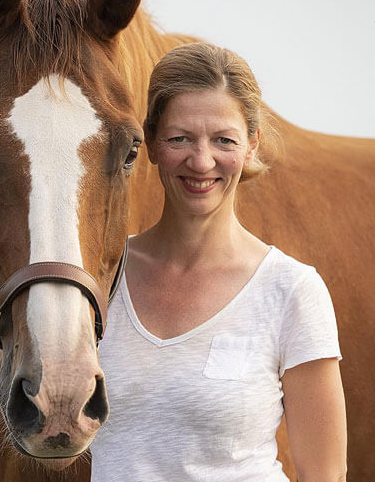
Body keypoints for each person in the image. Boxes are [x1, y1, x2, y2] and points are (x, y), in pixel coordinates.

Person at [91, 42, 347, 482]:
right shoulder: (101, 278)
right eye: (180, 138)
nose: (202, 160)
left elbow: (324, 474)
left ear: (251, 146)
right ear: (150, 143)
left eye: (224, 140)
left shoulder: (292, 291)